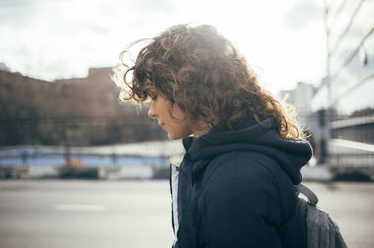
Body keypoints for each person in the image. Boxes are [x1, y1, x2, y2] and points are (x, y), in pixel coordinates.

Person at [114, 24, 312, 248]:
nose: (151, 111)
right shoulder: (229, 163)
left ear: (184, 88)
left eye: (155, 96)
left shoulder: (234, 186)